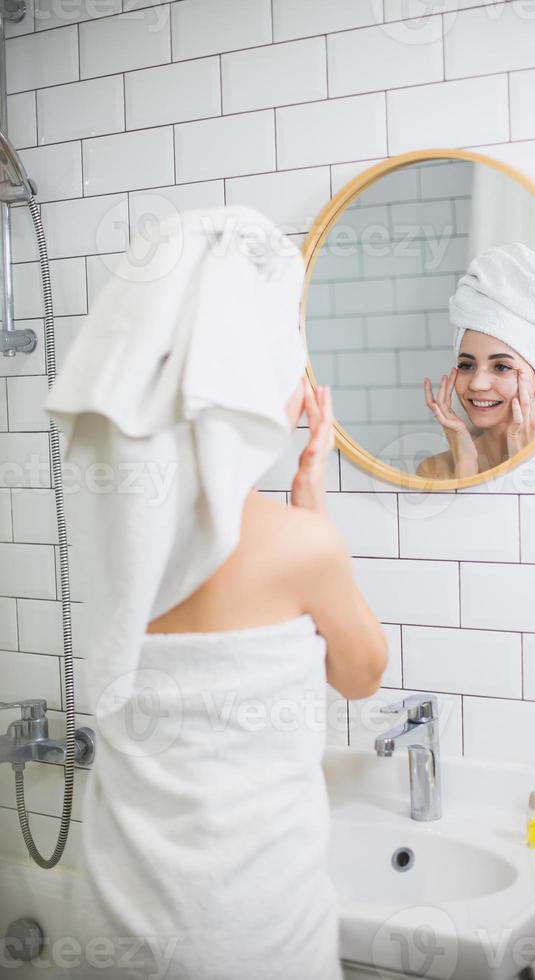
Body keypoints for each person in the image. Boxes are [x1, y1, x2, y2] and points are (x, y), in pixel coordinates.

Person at [44, 205, 387, 980]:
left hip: (115, 928)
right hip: (255, 938)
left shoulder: (117, 544)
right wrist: (313, 511)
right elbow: (362, 673)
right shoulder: (301, 546)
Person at [416, 242, 535, 479]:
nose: (477, 384)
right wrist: (465, 465)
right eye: (466, 365)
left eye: (501, 366)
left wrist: (527, 466)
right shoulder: (436, 471)